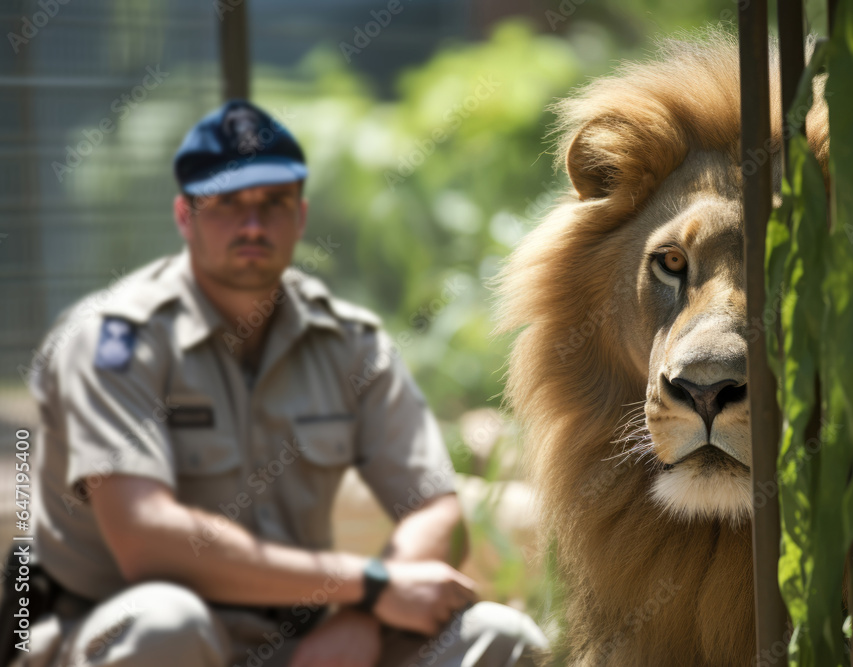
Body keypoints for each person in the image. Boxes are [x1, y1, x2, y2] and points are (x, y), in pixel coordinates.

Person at [12, 100, 548, 667]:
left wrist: (364, 619)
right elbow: (146, 538)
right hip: (120, 636)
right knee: (170, 626)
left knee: (498, 635)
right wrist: (368, 584)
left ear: (301, 216)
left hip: (300, 648)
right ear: (184, 215)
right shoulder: (113, 342)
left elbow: (435, 508)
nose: (252, 225)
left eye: (273, 203)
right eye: (227, 203)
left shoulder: (351, 344)